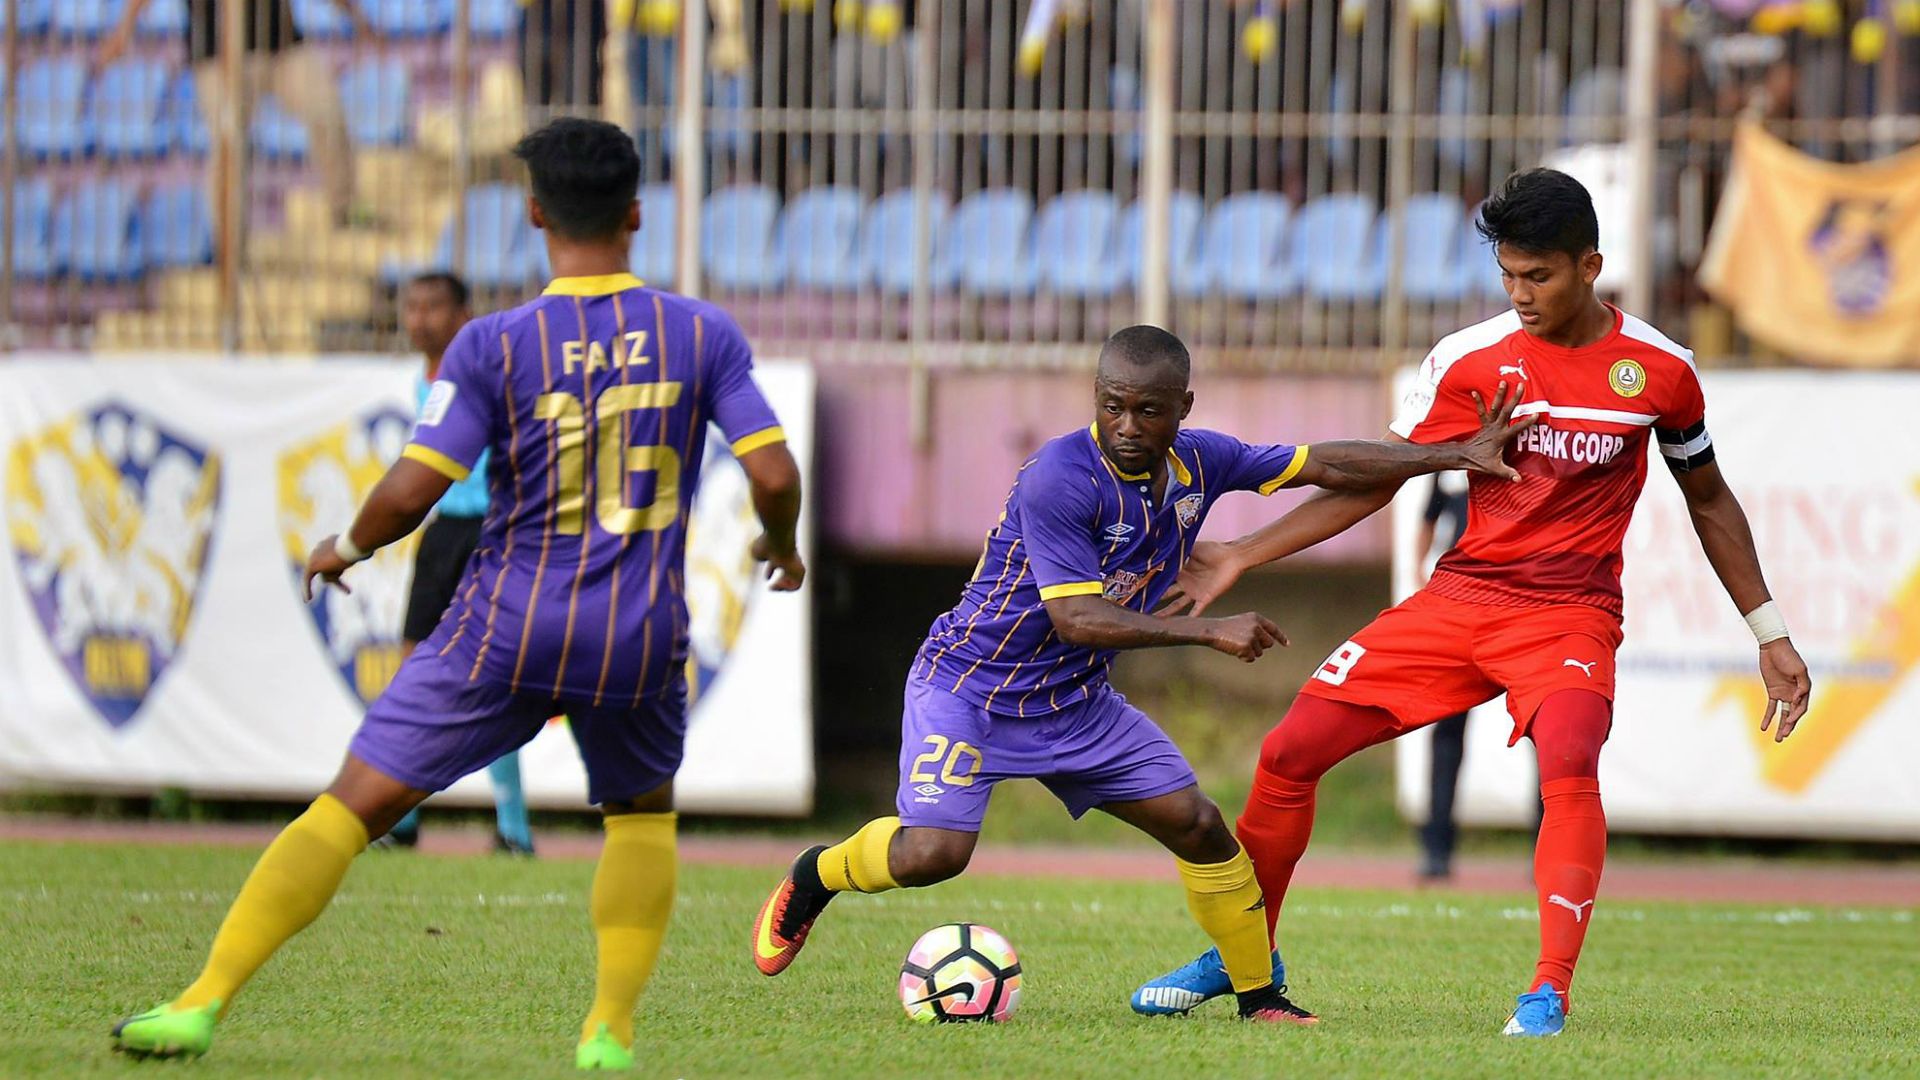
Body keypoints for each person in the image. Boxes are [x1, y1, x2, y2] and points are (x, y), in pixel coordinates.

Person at [109, 118, 808, 1070]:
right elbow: (771, 473)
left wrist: (345, 544)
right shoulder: (700, 332)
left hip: (506, 625)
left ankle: (199, 1003)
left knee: (349, 806)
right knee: (640, 818)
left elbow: (412, 491)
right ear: (638, 213)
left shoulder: (496, 344)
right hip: (635, 634)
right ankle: (608, 1031)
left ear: (533, 213)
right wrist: (781, 543)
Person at [1134, 169, 1813, 1037]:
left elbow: (1709, 499)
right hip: (1459, 599)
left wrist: (1769, 632)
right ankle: (1241, 955)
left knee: (1570, 752)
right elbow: (1370, 482)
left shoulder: (1661, 372)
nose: (1521, 295)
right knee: (1289, 750)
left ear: (1590, 264)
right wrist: (1239, 550)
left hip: (1569, 613)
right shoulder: (1470, 359)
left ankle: (1548, 993)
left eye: (1540, 276)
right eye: (1509, 275)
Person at [748, 324, 1532, 1026]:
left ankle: (1260, 997)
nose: (1127, 426)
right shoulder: (1059, 477)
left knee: (1198, 824)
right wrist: (1207, 632)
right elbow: (1076, 619)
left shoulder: (1203, 461)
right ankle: (814, 876)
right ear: (1096, 396)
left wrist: (1452, 454)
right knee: (933, 857)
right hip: (973, 689)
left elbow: (1324, 464)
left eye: (1148, 411)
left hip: (1077, 702)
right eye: (1112, 405)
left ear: (1183, 406)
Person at [371, 272, 536, 858]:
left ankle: (514, 828)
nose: (419, 318)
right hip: (442, 535)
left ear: (463, 312)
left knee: (495, 681)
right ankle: (404, 818)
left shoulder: (486, 372)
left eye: (432, 307)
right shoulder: (428, 379)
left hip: (491, 531)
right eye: (410, 307)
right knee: (414, 674)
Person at [99, 0, 365, 227]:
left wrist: (357, 18)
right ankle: (230, 247)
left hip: (281, 46)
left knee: (326, 110)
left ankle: (345, 209)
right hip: (217, 58)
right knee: (229, 146)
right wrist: (124, 32)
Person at [1413, 471, 1471, 882]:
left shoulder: (1535, 449)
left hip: (1520, 607)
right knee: (1446, 733)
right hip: (1460, 612)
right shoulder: (1453, 459)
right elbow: (1428, 515)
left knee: (1545, 730)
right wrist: (1422, 571)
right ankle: (1437, 849)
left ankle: (1545, 848)